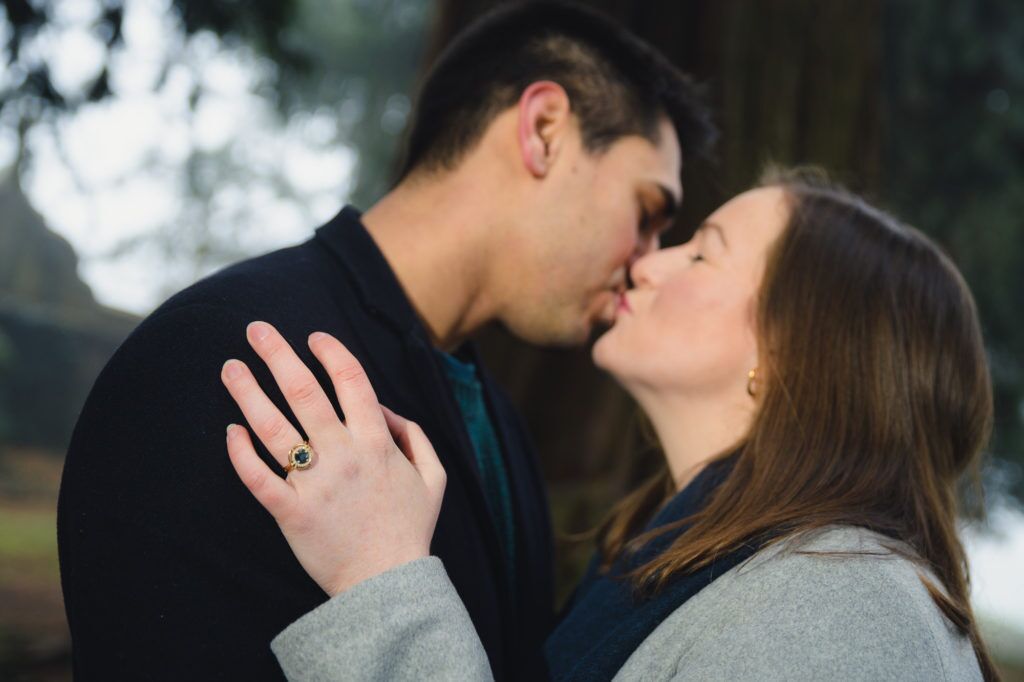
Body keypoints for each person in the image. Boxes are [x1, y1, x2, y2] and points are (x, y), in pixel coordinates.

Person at [56, 2, 715, 679]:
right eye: (647, 212)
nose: (646, 259)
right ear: (544, 130)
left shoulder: (502, 426)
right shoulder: (221, 356)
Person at [222, 169, 999, 681]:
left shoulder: (844, 613)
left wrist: (380, 577)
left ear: (795, 351)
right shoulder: (692, 562)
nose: (649, 263)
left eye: (701, 255)